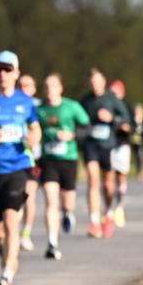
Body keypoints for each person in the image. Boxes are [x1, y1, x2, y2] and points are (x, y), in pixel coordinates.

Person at [0, 51, 41, 285]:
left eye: (7, 69)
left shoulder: (25, 102)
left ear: (16, 73)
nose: (2, 74)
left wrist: (33, 137)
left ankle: (7, 275)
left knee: (10, 219)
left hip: (17, 167)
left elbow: (36, 129)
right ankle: (7, 257)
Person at [36, 73, 90, 260]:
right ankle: (52, 242)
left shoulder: (72, 106)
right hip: (48, 159)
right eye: (46, 86)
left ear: (60, 88)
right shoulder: (40, 110)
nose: (49, 90)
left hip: (68, 159)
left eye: (53, 86)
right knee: (51, 201)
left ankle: (68, 213)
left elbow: (86, 127)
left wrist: (72, 136)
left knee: (68, 202)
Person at [79, 69, 132, 239]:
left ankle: (108, 212)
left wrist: (112, 119)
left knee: (108, 185)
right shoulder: (85, 101)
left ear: (103, 82)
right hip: (91, 145)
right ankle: (94, 222)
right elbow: (78, 122)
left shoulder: (112, 99)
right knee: (93, 180)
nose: (94, 85)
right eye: (92, 82)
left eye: (97, 81)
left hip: (109, 146)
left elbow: (126, 121)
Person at [16, 74, 42, 252]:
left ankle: (25, 233)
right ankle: (13, 232)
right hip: (15, 157)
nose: (24, 89)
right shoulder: (12, 104)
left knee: (29, 195)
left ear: (34, 89)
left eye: (28, 86)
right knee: (16, 198)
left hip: (34, 158)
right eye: (21, 86)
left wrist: (35, 138)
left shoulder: (38, 106)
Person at [108, 80, 134, 228]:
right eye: (111, 92)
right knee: (109, 176)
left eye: (115, 93)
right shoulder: (107, 105)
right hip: (109, 145)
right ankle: (109, 209)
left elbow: (133, 126)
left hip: (122, 145)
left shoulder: (127, 107)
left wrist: (126, 127)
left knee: (121, 176)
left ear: (122, 93)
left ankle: (119, 205)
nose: (113, 96)